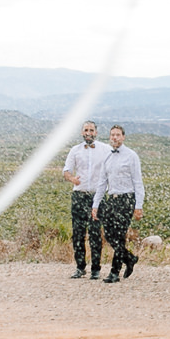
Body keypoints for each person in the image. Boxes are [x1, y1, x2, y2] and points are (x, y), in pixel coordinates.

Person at [89, 124, 145, 283]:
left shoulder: (131, 156)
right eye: (112, 135)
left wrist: (138, 205)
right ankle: (129, 258)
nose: (114, 137)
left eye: (118, 135)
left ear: (123, 137)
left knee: (119, 236)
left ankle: (114, 272)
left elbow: (138, 182)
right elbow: (102, 183)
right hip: (111, 199)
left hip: (126, 199)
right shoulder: (107, 157)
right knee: (109, 235)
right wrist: (96, 204)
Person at [59, 120, 108, 279]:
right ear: (82, 132)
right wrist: (71, 178)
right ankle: (80, 267)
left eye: (92, 130)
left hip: (97, 196)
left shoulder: (105, 149)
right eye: (86, 130)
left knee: (95, 233)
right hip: (79, 195)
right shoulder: (75, 150)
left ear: (96, 132)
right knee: (78, 233)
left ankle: (96, 269)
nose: (89, 132)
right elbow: (66, 170)